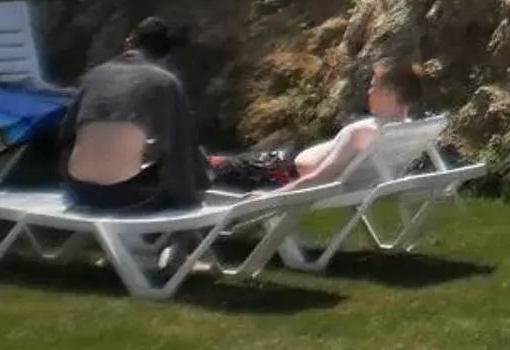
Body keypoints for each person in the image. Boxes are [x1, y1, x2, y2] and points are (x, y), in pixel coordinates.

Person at [61, 16, 208, 215]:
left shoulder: (95, 75)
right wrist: (191, 200)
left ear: (129, 42)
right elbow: (181, 149)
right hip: (132, 198)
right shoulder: (165, 83)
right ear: (167, 55)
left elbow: (66, 137)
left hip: (79, 193)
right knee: (166, 181)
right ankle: (165, 242)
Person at [210, 60, 421, 194]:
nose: (368, 92)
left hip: (274, 173)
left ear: (390, 93)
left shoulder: (360, 132)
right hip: (280, 164)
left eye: (374, 85)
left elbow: (322, 178)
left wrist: (270, 197)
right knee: (218, 163)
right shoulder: (408, 129)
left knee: (211, 168)